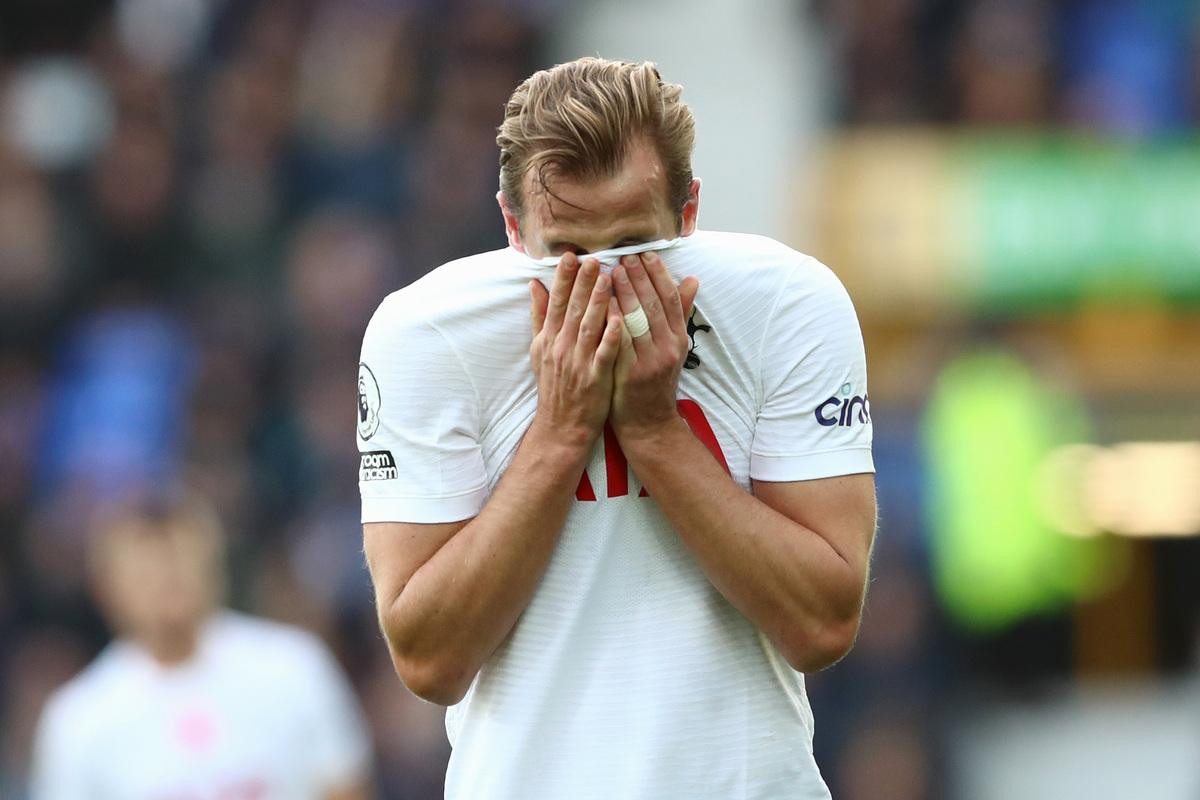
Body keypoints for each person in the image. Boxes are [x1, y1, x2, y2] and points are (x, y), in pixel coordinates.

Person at [359, 57, 876, 799]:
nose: (603, 283)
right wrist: (564, 431)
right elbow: (430, 662)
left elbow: (823, 625)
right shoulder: (428, 334)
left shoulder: (787, 303)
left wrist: (657, 433)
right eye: (567, 254)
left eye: (636, 245)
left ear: (688, 212)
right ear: (513, 227)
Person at [31, 494, 373, 800]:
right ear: (106, 588)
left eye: (180, 556)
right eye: (147, 566)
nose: (168, 576)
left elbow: (345, 787)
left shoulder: (295, 666)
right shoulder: (78, 720)